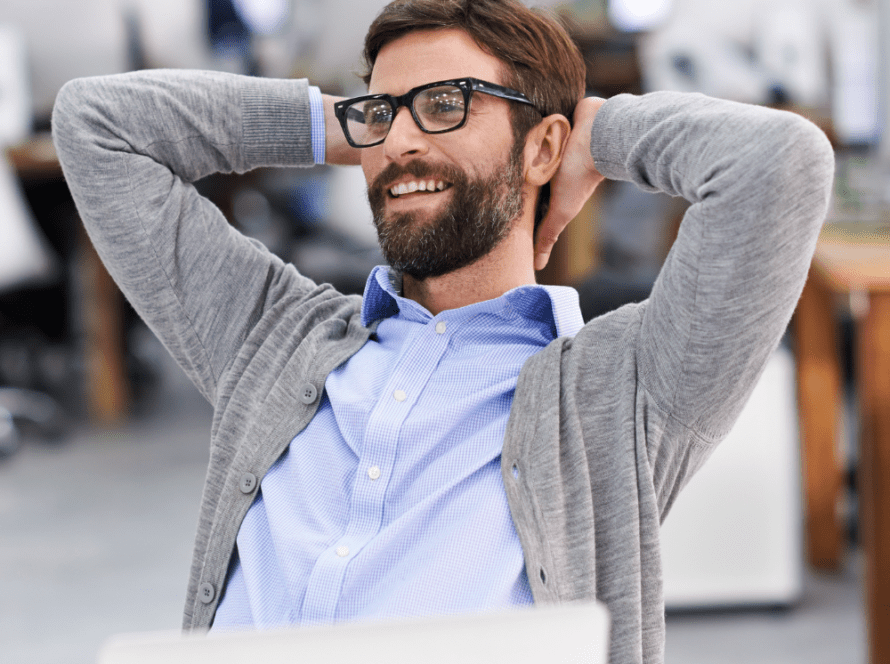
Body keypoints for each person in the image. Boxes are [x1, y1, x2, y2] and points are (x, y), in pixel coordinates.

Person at [51, 1, 834, 662]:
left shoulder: (622, 392)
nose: (401, 141)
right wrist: (339, 126)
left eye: (445, 103)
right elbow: (97, 126)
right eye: (384, 112)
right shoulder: (274, 337)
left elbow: (778, 165)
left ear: (544, 147)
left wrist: (600, 133)